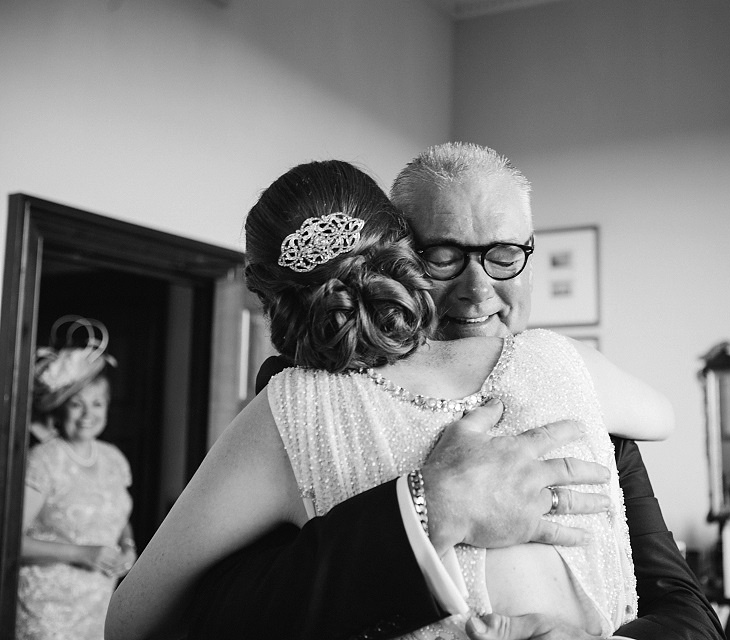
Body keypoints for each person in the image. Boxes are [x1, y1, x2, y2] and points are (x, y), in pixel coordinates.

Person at [106, 159, 676, 639]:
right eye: (445, 256)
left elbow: (130, 620)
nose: (478, 290)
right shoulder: (569, 368)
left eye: (503, 254)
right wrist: (426, 511)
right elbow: (664, 415)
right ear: (403, 256)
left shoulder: (283, 414)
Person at [18, 316, 136, 640]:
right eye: (76, 404)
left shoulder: (114, 459)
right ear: (59, 410)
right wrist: (84, 554)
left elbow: (118, 515)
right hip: (47, 611)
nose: (88, 414)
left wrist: (128, 547)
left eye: (97, 404)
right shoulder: (44, 459)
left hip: (99, 606)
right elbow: (10, 541)